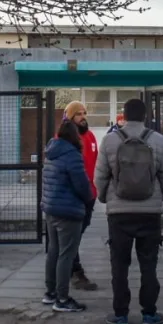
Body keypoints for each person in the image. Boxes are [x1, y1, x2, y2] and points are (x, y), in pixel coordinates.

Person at [95, 98, 163, 324]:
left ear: (124, 115)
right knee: (148, 264)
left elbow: (100, 175)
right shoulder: (158, 140)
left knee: (119, 265)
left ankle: (120, 314)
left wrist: (105, 198)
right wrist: (160, 196)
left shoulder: (110, 140)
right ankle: (149, 314)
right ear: (146, 115)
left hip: (119, 212)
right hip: (149, 213)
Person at [41, 120, 95, 313]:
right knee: (66, 254)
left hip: (51, 209)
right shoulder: (72, 155)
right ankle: (62, 298)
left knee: (53, 251)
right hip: (68, 211)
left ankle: (50, 293)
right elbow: (82, 184)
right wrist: (89, 198)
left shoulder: (51, 153)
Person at [62, 101, 100, 291]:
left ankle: (69, 270)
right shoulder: (65, 139)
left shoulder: (91, 136)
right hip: (74, 197)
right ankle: (74, 272)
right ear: (70, 117)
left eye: (84, 113)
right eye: (78, 114)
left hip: (90, 195)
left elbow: (97, 164)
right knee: (73, 236)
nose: (83, 117)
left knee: (77, 234)